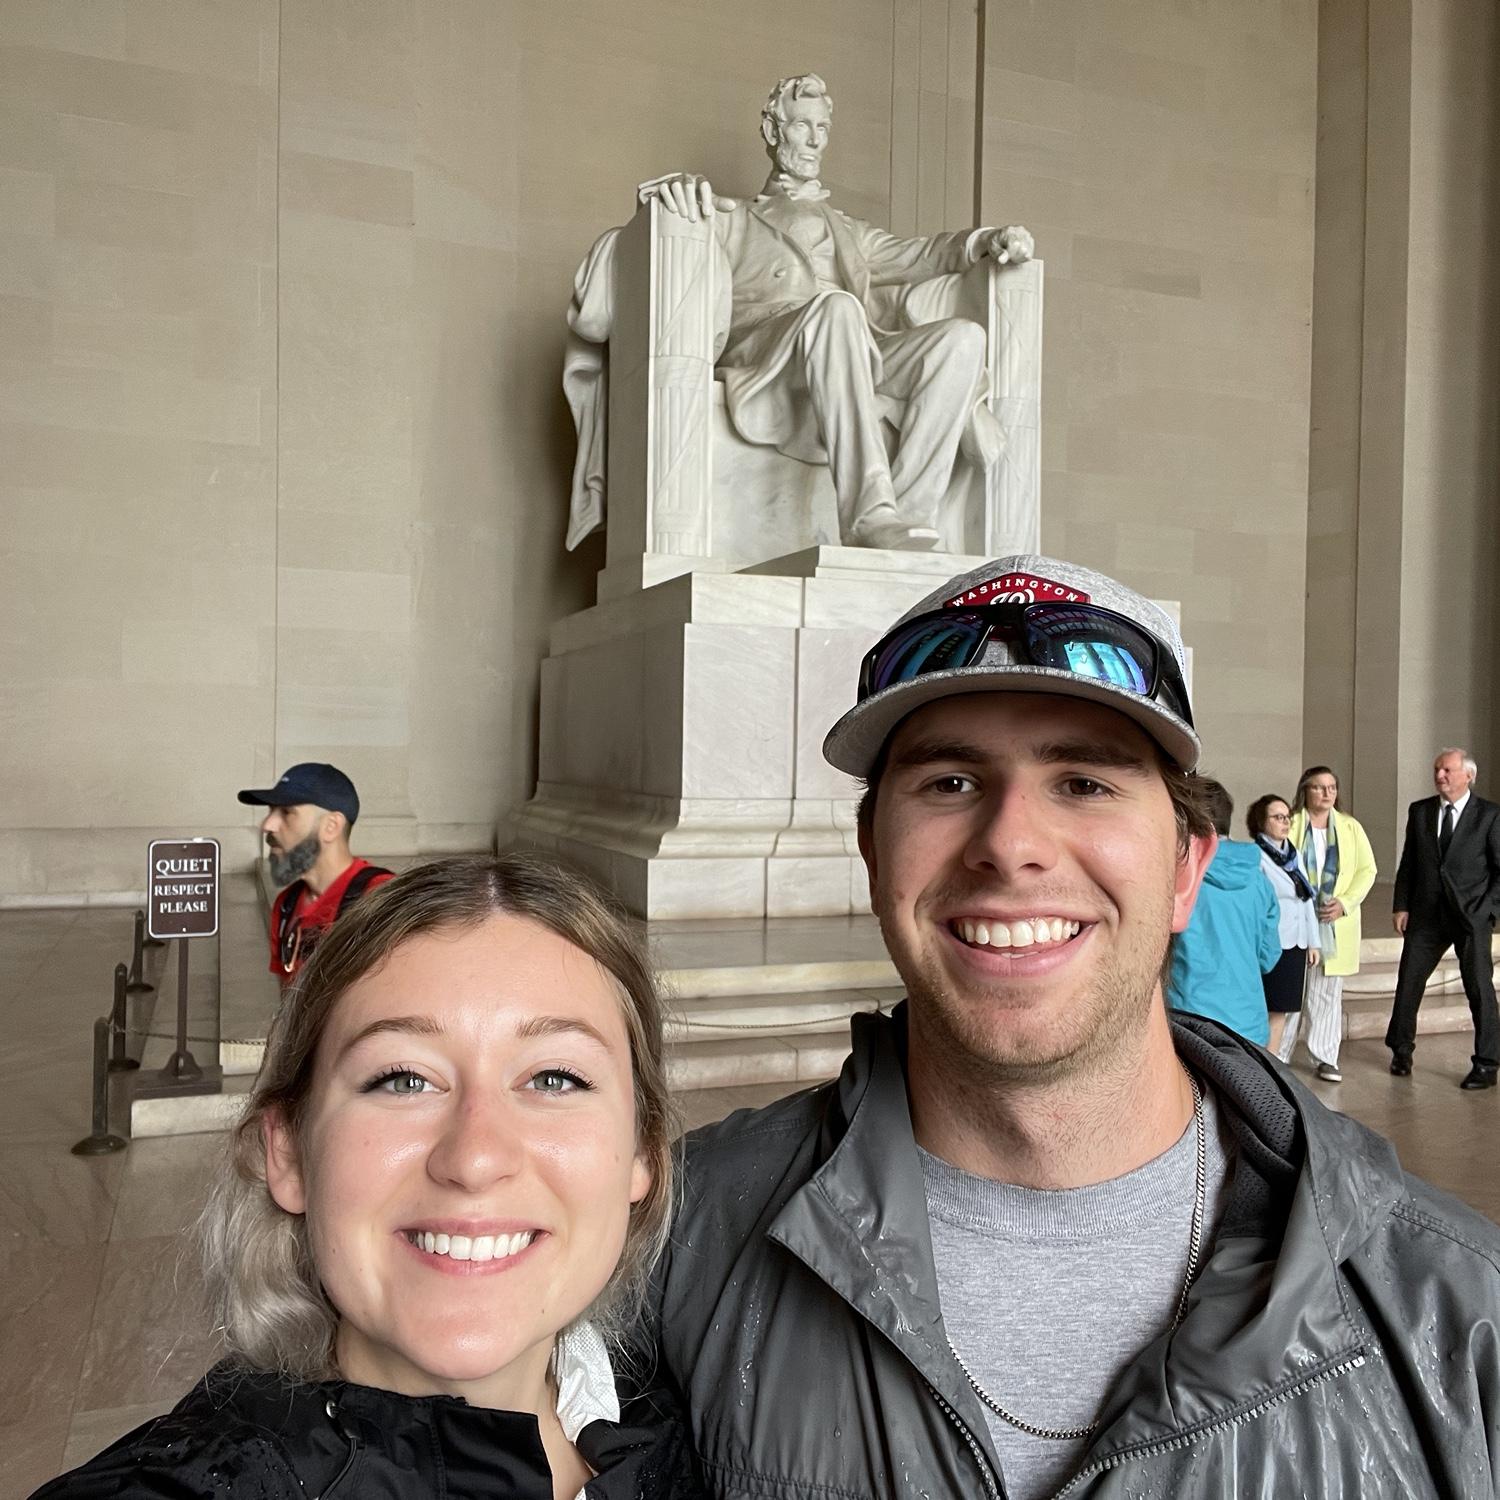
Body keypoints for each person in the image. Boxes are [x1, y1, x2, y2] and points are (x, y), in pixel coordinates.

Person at [628, 554, 1500, 1499]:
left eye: (1084, 781)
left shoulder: (1454, 1310)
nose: (1010, 843)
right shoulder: (667, 1251)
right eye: (951, 783)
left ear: (1183, 869)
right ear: (875, 856)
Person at [33, 854, 704, 1500]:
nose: (474, 1159)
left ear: (643, 1152)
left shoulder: (690, 1419)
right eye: (403, 1078)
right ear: (289, 1152)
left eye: (555, 1077)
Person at [633, 73, 1033, 549]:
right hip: (770, 349)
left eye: (822, 128)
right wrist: (678, 190)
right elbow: (660, 219)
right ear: (772, 130)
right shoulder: (730, 215)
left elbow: (923, 255)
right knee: (838, 308)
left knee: (962, 339)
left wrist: (987, 241)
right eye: (803, 126)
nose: (815, 140)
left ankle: (908, 513)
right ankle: (869, 513)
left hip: (851, 348)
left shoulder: (848, 231)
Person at [1386, 747, 1500, 1088]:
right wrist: (1400, 905)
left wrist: (1487, 909)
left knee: (1479, 989)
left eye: (1447, 770)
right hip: (1426, 915)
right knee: (1408, 984)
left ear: (1469, 775)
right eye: (1437, 770)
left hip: (1471, 916)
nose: (1440, 776)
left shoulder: (1490, 816)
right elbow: (1409, 862)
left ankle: (1487, 1064)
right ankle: (1401, 1050)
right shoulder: (1420, 811)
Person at [237, 762, 393, 984]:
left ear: (331, 826)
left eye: (287, 812)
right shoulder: (286, 906)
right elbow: (288, 1001)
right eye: (271, 811)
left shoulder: (380, 897)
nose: (267, 825)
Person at [1280, 765, 1377, 1083]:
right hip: (1295, 921)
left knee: (1326, 993)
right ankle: (1279, 1055)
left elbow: (1367, 871)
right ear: (1305, 790)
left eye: (1332, 787)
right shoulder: (1289, 824)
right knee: (1291, 989)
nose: (1327, 793)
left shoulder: (1350, 827)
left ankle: (1325, 1057)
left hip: (1333, 923)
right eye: (1319, 787)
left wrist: (1345, 903)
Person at [1164, 779, 1280, 1045]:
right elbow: (1269, 956)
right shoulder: (1259, 881)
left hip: (1190, 1022)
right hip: (1249, 1024)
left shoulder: (1176, 878)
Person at [1246, 792, 1321, 1055]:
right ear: (1261, 821)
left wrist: (1313, 941)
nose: (1285, 822)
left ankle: (1274, 1060)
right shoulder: (1255, 855)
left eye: (1287, 817)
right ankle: (1261, 1060)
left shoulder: (1292, 854)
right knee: (1268, 1006)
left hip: (1297, 941)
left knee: (1283, 1009)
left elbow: (1305, 899)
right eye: (1278, 817)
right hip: (1272, 942)